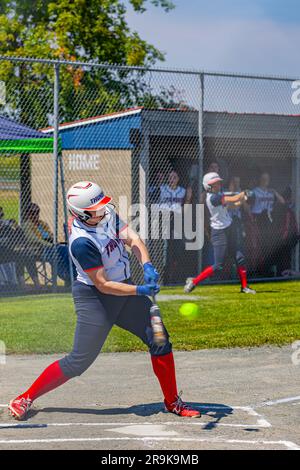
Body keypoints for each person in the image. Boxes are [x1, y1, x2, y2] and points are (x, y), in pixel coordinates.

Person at [8, 181, 200, 420]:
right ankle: (25, 397)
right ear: (81, 214)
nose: (102, 210)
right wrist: (140, 289)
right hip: (95, 299)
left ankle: (172, 402)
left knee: (160, 340)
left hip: (126, 290)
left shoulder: (106, 213)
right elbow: (103, 284)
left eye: (101, 205)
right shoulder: (81, 242)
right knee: (78, 361)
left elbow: (133, 239)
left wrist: (147, 264)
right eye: (95, 208)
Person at [184, 172, 256, 294]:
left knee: (240, 258)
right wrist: (244, 193)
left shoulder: (218, 195)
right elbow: (232, 198)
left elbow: (232, 205)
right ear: (208, 186)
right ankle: (194, 282)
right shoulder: (213, 197)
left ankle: (244, 287)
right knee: (218, 265)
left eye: (218, 182)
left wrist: (243, 199)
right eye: (214, 183)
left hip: (229, 228)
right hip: (219, 232)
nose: (218, 184)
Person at [23, 203, 70, 283]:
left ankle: (69, 275)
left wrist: (53, 243)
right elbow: (34, 239)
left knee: (66, 250)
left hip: (51, 247)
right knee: (56, 253)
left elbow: (51, 236)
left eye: (37, 212)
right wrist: (50, 245)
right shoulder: (26, 225)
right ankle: (64, 275)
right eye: (32, 212)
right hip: (39, 249)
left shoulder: (42, 224)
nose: (35, 215)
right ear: (27, 214)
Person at [249, 173, 285, 276]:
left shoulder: (270, 192)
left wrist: (275, 192)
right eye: (264, 178)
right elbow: (247, 204)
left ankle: (267, 268)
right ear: (260, 179)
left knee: (270, 245)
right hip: (258, 219)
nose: (266, 181)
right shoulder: (255, 191)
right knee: (259, 245)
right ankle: (257, 269)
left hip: (269, 220)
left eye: (267, 179)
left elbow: (282, 202)